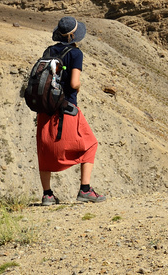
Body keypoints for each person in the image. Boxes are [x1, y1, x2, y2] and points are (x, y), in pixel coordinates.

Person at [36, 16, 107, 204]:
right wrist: (79, 86)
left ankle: (47, 195)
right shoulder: (76, 54)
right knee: (90, 143)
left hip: (45, 108)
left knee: (44, 150)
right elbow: (74, 83)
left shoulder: (49, 50)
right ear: (74, 35)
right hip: (66, 108)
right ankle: (85, 190)